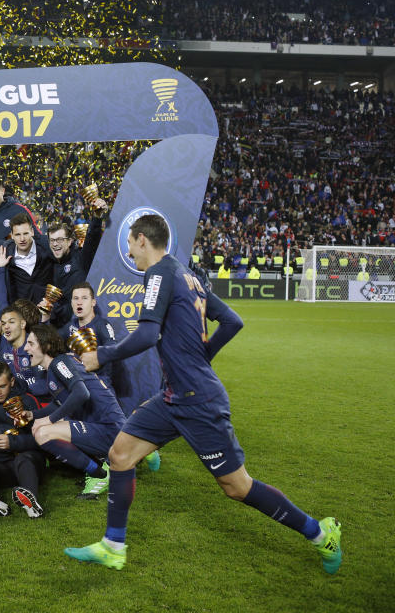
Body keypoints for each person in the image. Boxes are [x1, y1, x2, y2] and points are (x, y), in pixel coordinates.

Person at [66, 214, 341, 574]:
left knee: (237, 487)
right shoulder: (189, 275)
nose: (130, 253)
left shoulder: (160, 273)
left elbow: (148, 335)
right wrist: (201, 357)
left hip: (198, 400)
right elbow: (232, 322)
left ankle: (320, 534)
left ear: (141, 239)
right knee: (119, 454)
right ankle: (114, 545)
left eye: (131, 244)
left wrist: (101, 355)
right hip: (173, 397)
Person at [23, 325, 125, 500]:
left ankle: (99, 474)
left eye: (31, 343)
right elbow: (60, 403)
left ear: (46, 346)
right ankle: (104, 464)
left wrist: (49, 420)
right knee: (41, 428)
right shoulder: (59, 366)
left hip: (109, 429)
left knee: (43, 433)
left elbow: (81, 393)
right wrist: (34, 415)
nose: (26, 348)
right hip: (108, 428)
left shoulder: (59, 363)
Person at [0, 362, 46, 518]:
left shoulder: (27, 401)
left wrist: (13, 442)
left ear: (12, 382)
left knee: (25, 460)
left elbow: (43, 439)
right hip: (2, 466)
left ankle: (31, 503)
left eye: (2, 386)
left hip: (29, 463)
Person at [58, 282, 119, 391]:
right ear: (71, 303)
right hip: (78, 387)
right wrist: (45, 318)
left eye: (84, 298)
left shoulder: (102, 325)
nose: (79, 302)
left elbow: (112, 349)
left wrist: (94, 357)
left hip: (99, 386)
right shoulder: (71, 325)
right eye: (75, 299)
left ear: (93, 302)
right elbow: (51, 339)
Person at [47, 219, 104, 326]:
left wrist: (96, 218)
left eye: (59, 240)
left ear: (69, 241)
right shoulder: (49, 264)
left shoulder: (81, 259)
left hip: (82, 326)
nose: (55, 244)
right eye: (52, 240)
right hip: (58, 327)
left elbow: (92, 240)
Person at [0, 213, 54, 305]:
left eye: (25, 233)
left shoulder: (46, 246)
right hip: (20, 312)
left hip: (46, 310)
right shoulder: (5, 254)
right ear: (12, 235)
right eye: (17, 234)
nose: (22, 239)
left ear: (32, 231)